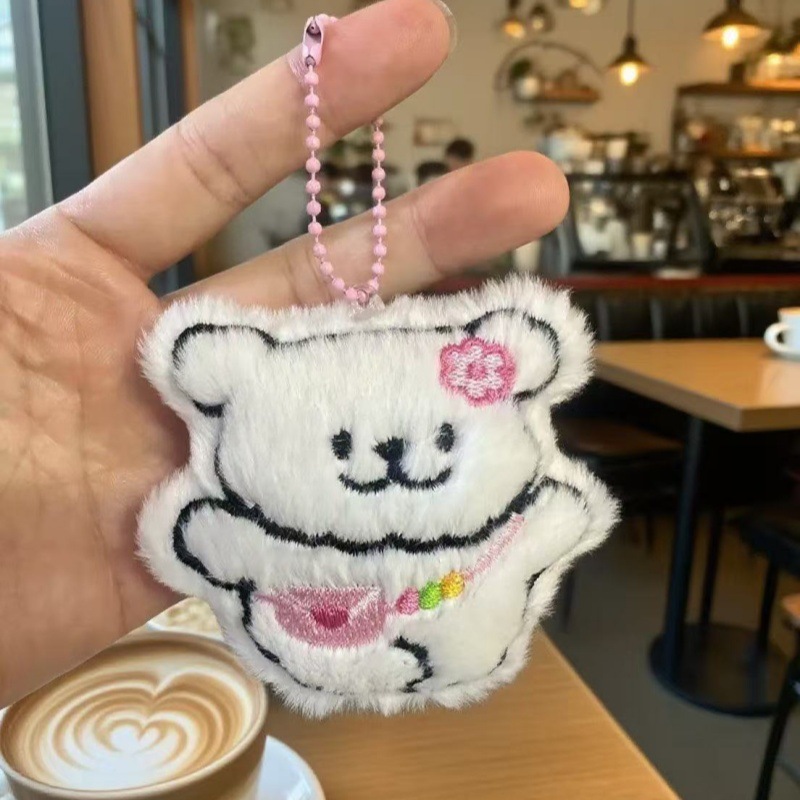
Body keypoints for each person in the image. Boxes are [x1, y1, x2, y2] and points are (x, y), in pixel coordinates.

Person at [0, 0, 568, 708]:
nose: (393, 458)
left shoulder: (496, 518)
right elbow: (210, 538)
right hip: (305, 623)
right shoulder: (253, 470)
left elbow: (550, 517)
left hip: (467, 615)